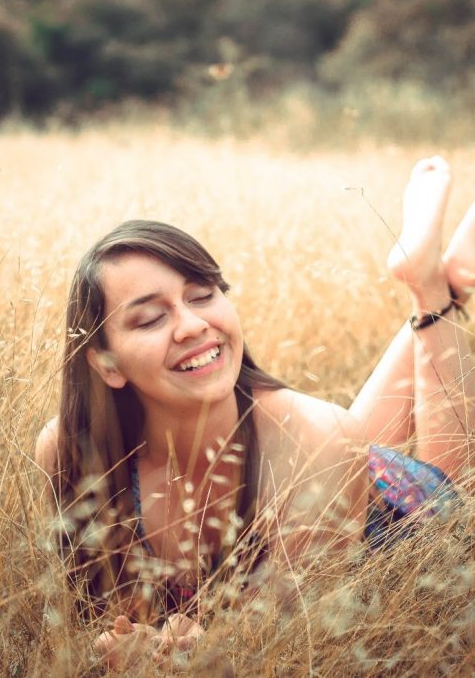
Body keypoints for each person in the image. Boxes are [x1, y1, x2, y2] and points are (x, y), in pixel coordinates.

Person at [35, 156, 474, 668]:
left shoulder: (317, 436)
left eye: (203, 295)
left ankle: (435, 288)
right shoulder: (72, 451)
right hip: (328, 461)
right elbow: (95, 613)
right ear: (106, 364)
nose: (192, 325)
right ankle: (447, 279)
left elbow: (289, 646)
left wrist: (181, 658)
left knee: (449, 482)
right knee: (335, 439)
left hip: (401, 511)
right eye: (151, 318)